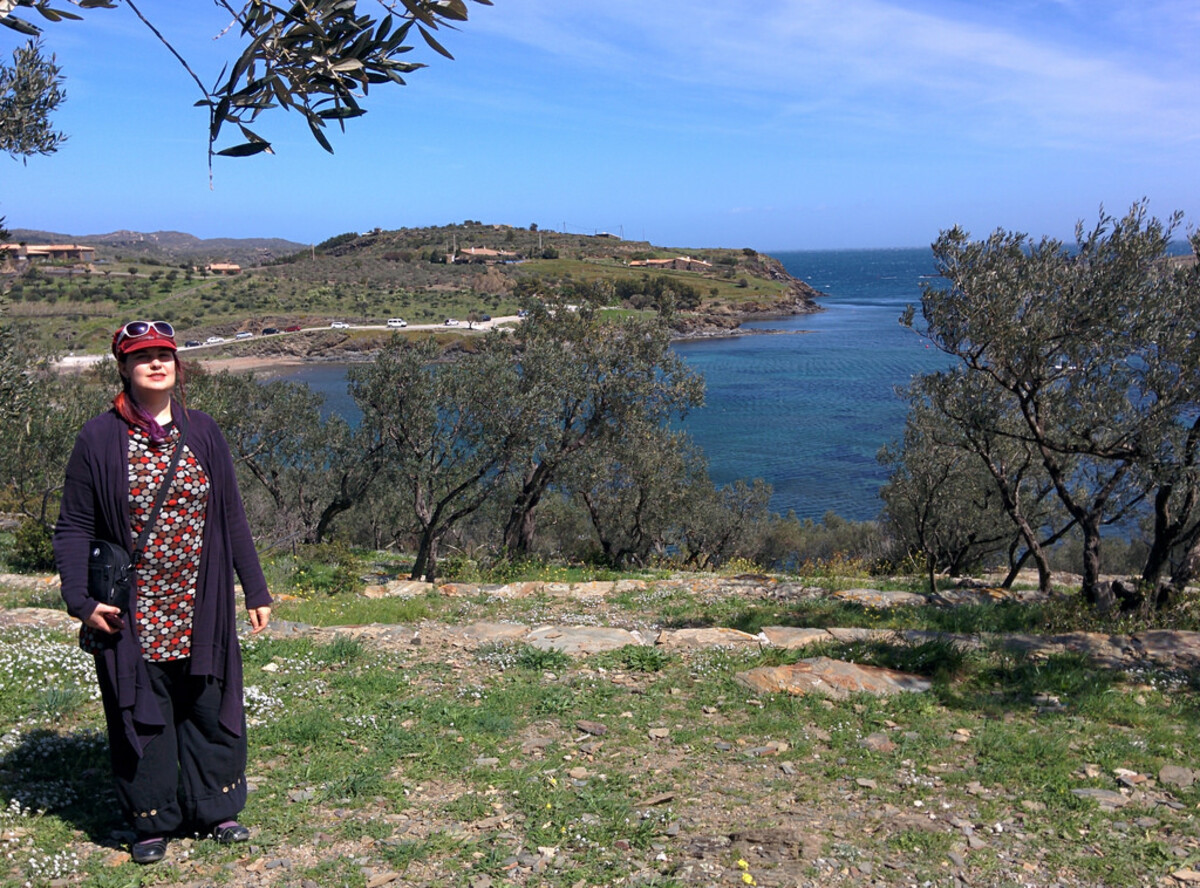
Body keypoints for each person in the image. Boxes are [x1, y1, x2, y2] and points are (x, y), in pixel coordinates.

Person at [53, 321, 272, 865]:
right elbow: (74, 526)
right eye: (142, 356)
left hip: (200, 602)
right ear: (124, 369)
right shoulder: (97, 438)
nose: (155, 363)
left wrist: (255, 589)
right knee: (139, 713)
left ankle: (215, 808)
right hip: (132, 609)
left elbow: (231, 517)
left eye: (164, 355)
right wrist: (82, 601)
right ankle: (151, 819)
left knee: (206, 702)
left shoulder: (204, 433)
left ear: (177, 365)